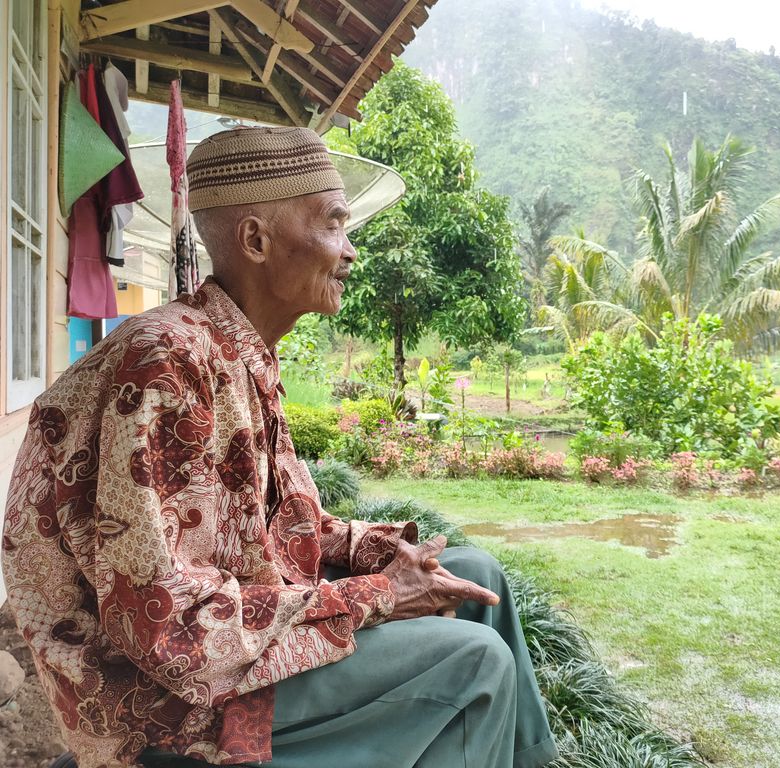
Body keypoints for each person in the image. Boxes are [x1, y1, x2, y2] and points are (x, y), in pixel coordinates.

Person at [1, 127, 558, 768]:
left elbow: (286, 526)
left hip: (228, 635)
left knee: (478, 572)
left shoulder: (239, 352)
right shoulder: (166, 362)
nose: (350, 253)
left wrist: (386, 553)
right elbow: (165, 628)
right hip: (162, 699)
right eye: (334, 225)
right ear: (257, 241)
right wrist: (377, 595)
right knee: (474, 662)